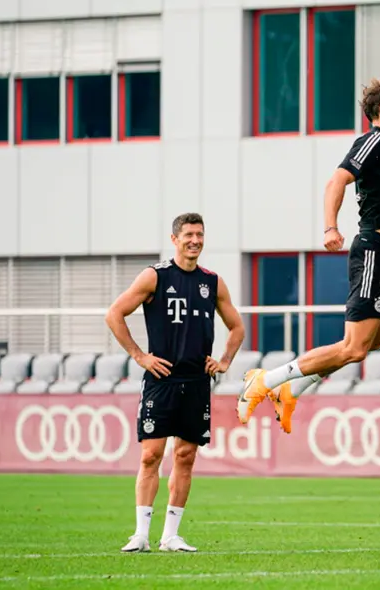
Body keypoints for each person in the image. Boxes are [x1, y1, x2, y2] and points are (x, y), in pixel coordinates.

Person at [237, 77, 380, 434]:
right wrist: (330, 228)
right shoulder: (373, 141)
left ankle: (292, 389)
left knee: (372, 343)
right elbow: (336, 180)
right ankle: (266, 380)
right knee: (354, 347)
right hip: (374, 249)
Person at [106, 212, 245, 553]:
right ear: (175, 239)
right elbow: (114, 314)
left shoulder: (213, 282)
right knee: (150, 456)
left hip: (196, 382)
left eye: (200, 235)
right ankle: (140, 534)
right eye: (189, 235)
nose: (195, 241)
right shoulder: (155, 276)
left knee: (185, 456)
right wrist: (140, 356)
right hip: (161, 380)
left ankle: (170, 536)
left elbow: (237, 327)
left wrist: (224, 361)